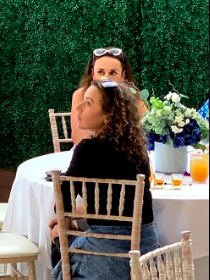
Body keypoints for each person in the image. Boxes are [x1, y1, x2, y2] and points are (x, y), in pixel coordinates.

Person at [50, 79, 159, 280]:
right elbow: (132, 201)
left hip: (108, 259)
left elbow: (62, 204)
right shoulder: (138, 151)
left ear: (108, 117)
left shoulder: (86, 150)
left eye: (88, 103)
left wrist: (66, 226)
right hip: (147, 255)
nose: (78, 108)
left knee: (57, 237)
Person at [70, 47, 147, 145]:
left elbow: (146, 135)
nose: (106, 78)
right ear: (93, 74)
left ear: (123, 76)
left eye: (113, 73)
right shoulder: (81, 95)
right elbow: (79, 139)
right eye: (101, 72)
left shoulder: (135, 98)